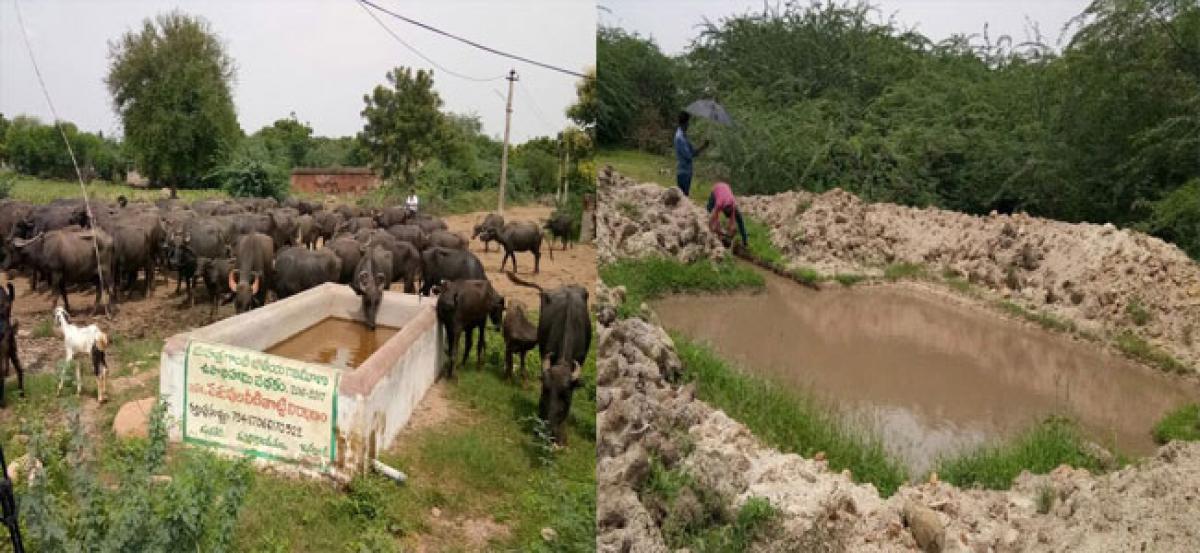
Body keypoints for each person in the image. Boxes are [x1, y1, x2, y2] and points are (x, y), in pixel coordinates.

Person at [674, 111, 709, 197]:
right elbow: (689, 156)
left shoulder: (683, 136)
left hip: (687, 171)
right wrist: (696, 151)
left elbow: (692, 152)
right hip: (683, 172)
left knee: (683, 198)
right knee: (683, 198)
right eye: (688, 122)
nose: (689, 125)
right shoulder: (680, 138)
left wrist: (703, 146)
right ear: (685, 123)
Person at [706, 181, 747, 248]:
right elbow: (713, 217)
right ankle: (707, 232)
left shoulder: (733, 205)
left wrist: (730, 233)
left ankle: (745, 241)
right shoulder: (719, 204)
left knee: (739, 218)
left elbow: (732, 222)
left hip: (726, 188)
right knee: (708, 211)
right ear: (723, 209)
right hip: (717, 189)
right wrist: (714, 228)